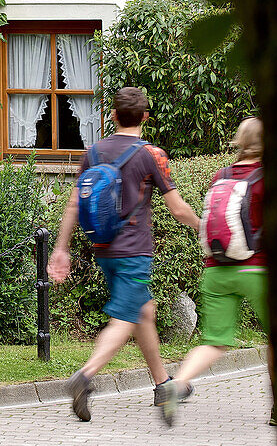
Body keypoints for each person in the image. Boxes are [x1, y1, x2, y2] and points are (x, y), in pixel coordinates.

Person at [48, 86, 200, 422]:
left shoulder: (95, 152)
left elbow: (74, 203)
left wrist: (61, 249)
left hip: (103, 249)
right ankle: (84, 377)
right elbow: (176, 209)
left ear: (113, 115)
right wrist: (204, 227)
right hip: (134, 252)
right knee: (126, 317)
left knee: (144, 310)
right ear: (145, 117)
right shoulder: (151, 154)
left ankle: (162, 385)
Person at [160, 116, 270, 426]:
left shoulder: (220, 176)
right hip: (257, 271)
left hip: (216, 270)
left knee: (214, 341)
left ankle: (177, 384)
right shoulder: (263, 177)